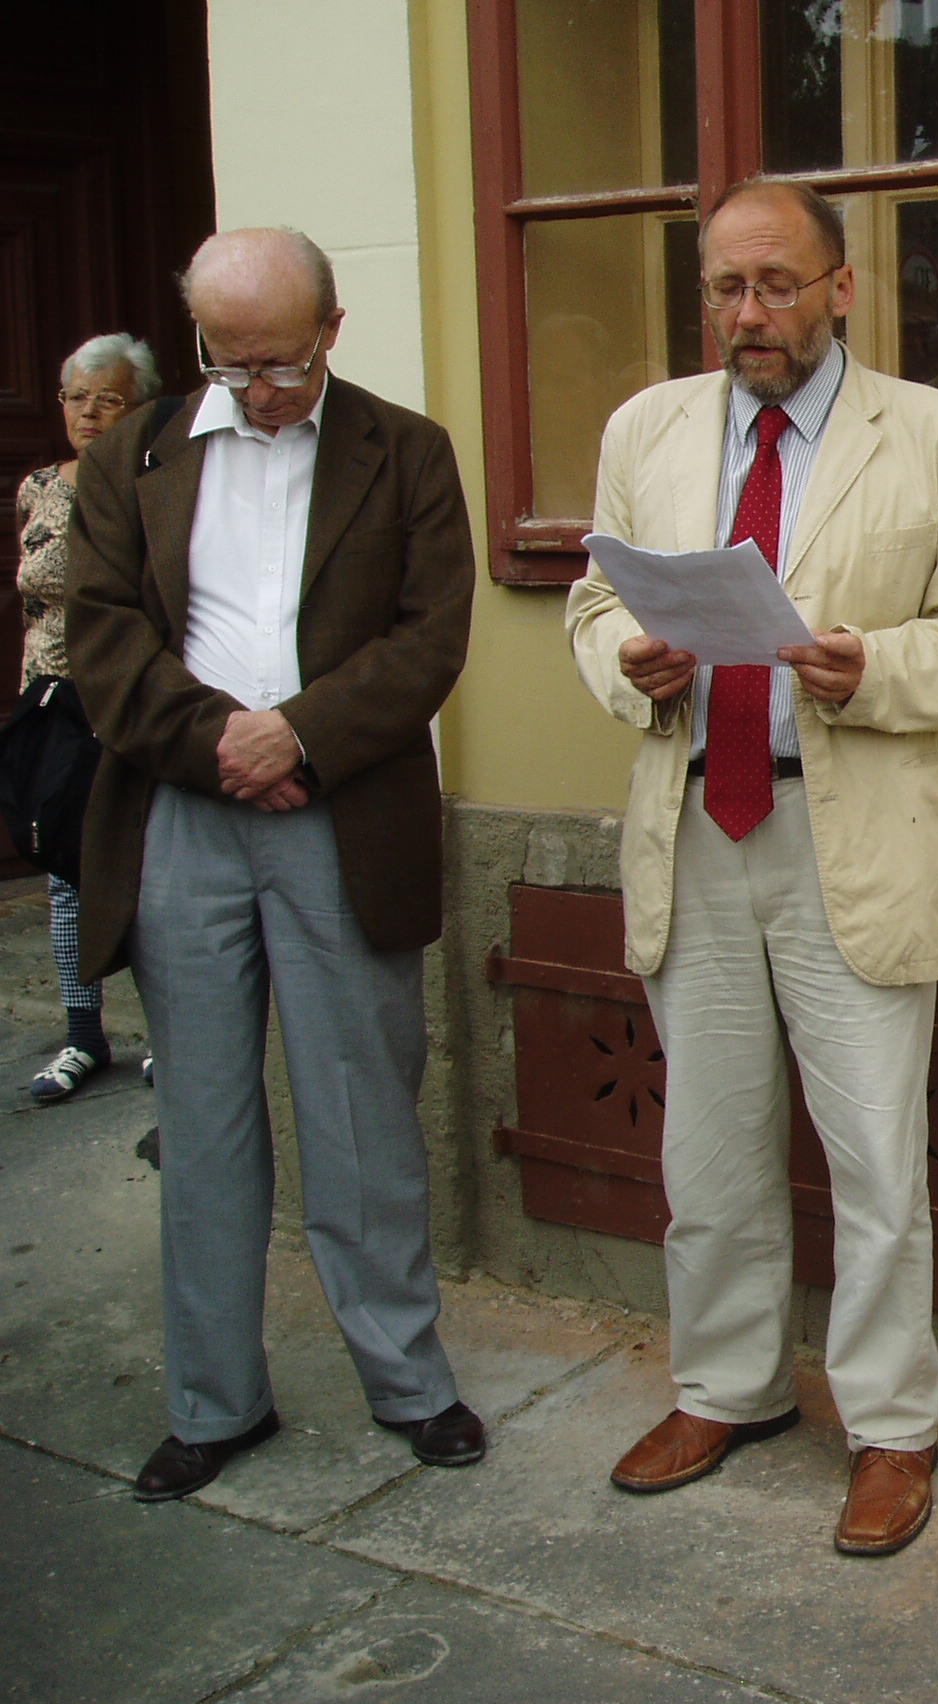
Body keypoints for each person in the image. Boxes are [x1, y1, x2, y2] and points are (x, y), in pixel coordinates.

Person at [565, 177, 938, 1556]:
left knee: (875, 1156)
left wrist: (868, 665)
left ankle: (890, 1427)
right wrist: (627, 661)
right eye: (725, 288)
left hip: (849, 829)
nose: (748, 313)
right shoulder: (647, 429)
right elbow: (593, 598)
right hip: (697, 815)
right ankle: (727, 1389)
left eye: (775, 284)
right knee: (706, 1147)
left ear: (841, 288)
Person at [67, 227, 485, 1501]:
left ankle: (408, 1381)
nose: (256, 389)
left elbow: (430, 638)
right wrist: (223, 746)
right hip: (181, 818)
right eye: (228, 361)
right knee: (201, 1123)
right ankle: (215, 1402)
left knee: (362, 1113)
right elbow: (103, 639)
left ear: (333, 330)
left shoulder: (404, 450)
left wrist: (297, 734)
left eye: (282, 364)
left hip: (339, 814)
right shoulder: (128, 458)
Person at [15, 333, 163, 1102]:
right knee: (66, 872)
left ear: (139, 408)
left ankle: (165, 1035)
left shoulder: (155, 486)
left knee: (138, 868)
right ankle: (83, 1037)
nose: (90, 413)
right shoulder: (40, 485)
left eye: (109, 399)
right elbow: (36, 584)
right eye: (78, 397)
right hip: (52, 702)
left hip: (127, 700)